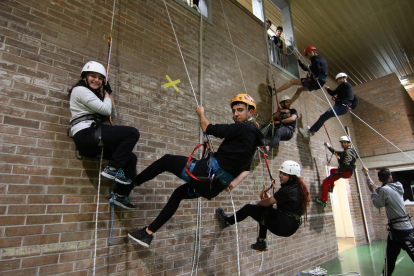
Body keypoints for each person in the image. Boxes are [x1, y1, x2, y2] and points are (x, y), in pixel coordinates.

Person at [127, 94, 264, 247]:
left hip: (204, 174)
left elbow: (207, 127)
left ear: (251, 112)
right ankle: (147, 233)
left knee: (166, 160)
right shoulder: (254, 140)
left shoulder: (243, 127)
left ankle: (131, 185)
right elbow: (246, 169)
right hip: (212, 188)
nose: (235, 114)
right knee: (178, 194)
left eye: (240, 110)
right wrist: (234, 183)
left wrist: (201, 112)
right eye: (234, 111)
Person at [68, 61, 140, 210]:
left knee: (130, 158)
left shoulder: (94, 97)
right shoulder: (80, 90)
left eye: (100, 78)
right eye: (93, 76)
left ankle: (121, 196)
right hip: (86, 134)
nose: (96, 80)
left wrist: (108, 94)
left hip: (93, 139)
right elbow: (106, 111)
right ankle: (112, 168)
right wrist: (106, 96)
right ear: (85, 77)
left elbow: (111, 114)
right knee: (132, 133)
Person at [216, 160, 309, 251]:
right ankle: (261, 242)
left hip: (284, 225)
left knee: (249, 208)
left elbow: (268, 202)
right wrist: (268, 200)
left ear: (291, 177)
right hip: (291, 226)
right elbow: (283, 205)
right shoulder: (298, 187)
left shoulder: (288, 189)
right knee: (265, 212)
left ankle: (226, 222)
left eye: (284, 174)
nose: (280, 175)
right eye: (281, 173)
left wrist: (260, 204)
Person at [362, 167, 414, 275]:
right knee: (389, 259)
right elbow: (376, 188)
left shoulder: (385, 190)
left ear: (380, 180)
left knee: (391, 260)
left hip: (403, 231)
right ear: (391, 177)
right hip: (395, 232)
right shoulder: (398, 186)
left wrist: (372, 191)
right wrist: (366, 175)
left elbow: (377, 203)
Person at [299, 72, 358, 138]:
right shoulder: (350, 89)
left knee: (323, 117)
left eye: (340, 79)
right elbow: (355, 100)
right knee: (324, 117)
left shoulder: (344, 84)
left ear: (345, 78)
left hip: (340, 107)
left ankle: (308, 132)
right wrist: (352, 107)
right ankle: (312, 131)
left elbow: (332, 93)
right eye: (338, 80)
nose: (339, 81)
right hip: (344, 109)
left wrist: (327, 89)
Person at [315, 136, 357, 207]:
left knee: (325, 182)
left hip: (345, 171)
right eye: (342, 143)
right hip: (347, 172)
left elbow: (346, 163)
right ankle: (331, 187)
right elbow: (336, 152)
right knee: (332, 170)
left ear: (348, 143)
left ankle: (323, 201)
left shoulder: (348, 152)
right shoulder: (348, 151)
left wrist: (339, 171)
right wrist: (328, 146)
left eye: (344, 143)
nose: (343, 144)